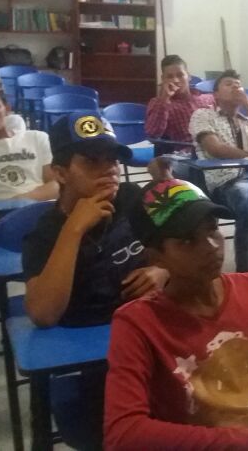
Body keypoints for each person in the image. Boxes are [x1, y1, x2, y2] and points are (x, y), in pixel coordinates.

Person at [104, 179, 248, 450]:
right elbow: (123, 432)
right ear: (156, 257)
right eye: (187, 240)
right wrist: (243, 443)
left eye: (213, 229)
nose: (211, 246)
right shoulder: (137, 324)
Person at [22, 112, 169, 448]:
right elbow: (44, 313)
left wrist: (164, 270)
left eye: (113, 160)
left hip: (154, 345)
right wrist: (75, 227)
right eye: (91, 161)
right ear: (59, 172)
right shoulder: (44, 233)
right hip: (93, 367)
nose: (109, 170)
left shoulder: (134, 200)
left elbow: (187, 248)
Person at [189, 70, 248, 273]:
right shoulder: (203, 115)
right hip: (226, 182)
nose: (235, 87)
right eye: (228, 84)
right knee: (247, 202)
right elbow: (215, 149)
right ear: (215, 94)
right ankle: (246, 274)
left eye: (238, 84)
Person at [0, 85, 57, 203]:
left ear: (7, 109)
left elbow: (55, 184)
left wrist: (20, 201)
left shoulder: (37, 138)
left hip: (40, 207)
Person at [145, 55, 214, 153]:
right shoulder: (158, 103)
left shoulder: (207, 98)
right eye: (169, 76)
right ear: (163, 79)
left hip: (217, 148)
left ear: (189, 76)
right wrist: (165, 99)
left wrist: (244, 102)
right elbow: (153, 134)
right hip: (189, 153)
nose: (176, 80)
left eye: (180, 75)